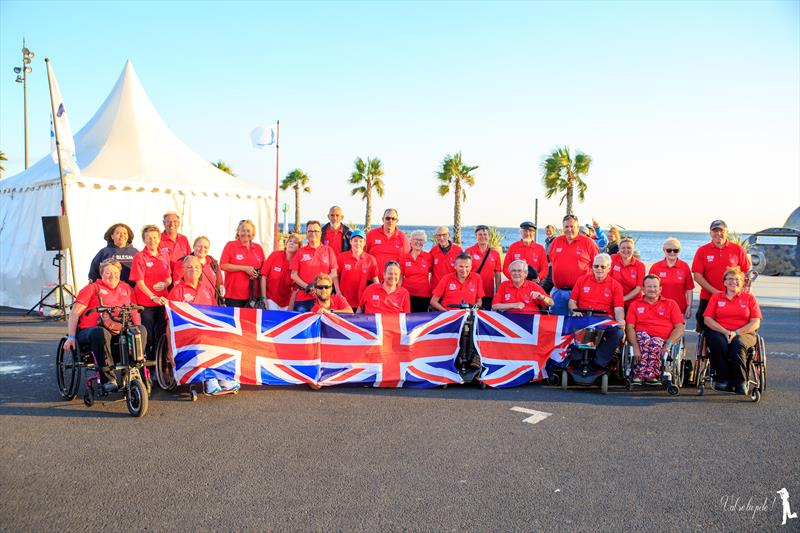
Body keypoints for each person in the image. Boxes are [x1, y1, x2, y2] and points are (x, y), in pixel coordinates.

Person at [64, 259, 145, 393]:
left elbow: (135, 311)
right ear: (101, 274)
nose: (112, 276)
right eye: (108, 273)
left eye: (115, 272)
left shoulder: (126, 288)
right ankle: (108, 379)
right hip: (91, 331)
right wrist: (71, 336)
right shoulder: (92, 288)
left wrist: (137, 328)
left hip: (119, 330)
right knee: (100, 333)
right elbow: (75, 313)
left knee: (140, 330)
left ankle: (131, 372)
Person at [169, 255, 237, 394]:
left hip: (206, 329)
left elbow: (214, 314)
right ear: (182, 270)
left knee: (227, 336)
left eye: (196, 267)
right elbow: (170, 321)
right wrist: (170, 349)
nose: (193, 270)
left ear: (201, 270)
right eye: (189, 267)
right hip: (187, 333)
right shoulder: (177, 291)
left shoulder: (206, 288)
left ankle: (224, 376)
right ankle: (210, 379)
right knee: (204, 339)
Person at [703, 267, 762, 394]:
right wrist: (725, 331)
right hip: (720, 330)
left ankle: (741, 381)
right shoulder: (716, 297)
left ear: (741, 282)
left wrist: (736, 332)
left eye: (736, 279)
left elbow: (755, 322)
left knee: (737, 344)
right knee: (718, 343)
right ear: (724, 282)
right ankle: (723, 379)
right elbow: (707, 319)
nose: (733, 282)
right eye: (729, 279)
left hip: (744, 332)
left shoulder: (749, 298)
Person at [568, 253, 625, 370]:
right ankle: (577, 360)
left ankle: (599, 362)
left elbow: (618, 308)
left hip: (603, 320)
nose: (599, 269)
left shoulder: (615, 285)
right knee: (566, 327)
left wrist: (620, 321)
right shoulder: (582, 280)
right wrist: (574, 311)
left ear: (609, 268)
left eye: (603, 267)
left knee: (618, 333)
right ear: (592, 267)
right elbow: (572, 301)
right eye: (596, 266)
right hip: (584, 317)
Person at [692, 220, 751, 331]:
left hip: (733, 298)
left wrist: (741, 292)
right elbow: (697, 276)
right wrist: (716, 293)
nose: (718, 234)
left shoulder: (737, 249)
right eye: (715, 231)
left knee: (737, 324)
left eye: (721, 230)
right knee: (703, 323)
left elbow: (746, 274)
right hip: (708, 297)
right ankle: (704, 348)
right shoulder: (702, 251)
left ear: (727, 232)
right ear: (710, 233)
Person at [625, 275, 685, 384]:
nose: (652, 289)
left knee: (654, 342)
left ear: (660, 289)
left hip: (662, 339)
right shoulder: (635, 305)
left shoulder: (671, 304)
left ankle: (650, 374)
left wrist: (668, 344)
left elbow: (679, 327)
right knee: (646, 339)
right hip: (641, 337)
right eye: (648, 287)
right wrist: (635, 346)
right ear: (643, 289)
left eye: (655, 286)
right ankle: (644, 373)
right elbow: (630, 327)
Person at [129, 224, 171, 361]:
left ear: (159, 239)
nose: (152, 241)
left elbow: (169, 277)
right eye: (148, 238)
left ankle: (160, 365)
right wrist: (152, 296)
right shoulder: (140, 257)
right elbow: (139, 282)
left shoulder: (164, 255)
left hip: (162, 303)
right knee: (148, 337)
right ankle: (146, 368)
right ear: (144, 240)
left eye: (154, 237)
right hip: (146, 304)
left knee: (161, 335)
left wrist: (165, 283)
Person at [549, 214, 600, 315]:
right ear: (563, 228)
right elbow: (552, 261)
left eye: (572, 226)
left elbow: (598, 267)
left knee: (579, 326)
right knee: (558, 325)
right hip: (559, 292)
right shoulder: (556, 242)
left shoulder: (588, 242)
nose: (569, 229)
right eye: (566, 227)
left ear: (577, 227)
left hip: (581, 293)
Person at [290, 220, 341, 312]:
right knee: (303, 326)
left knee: (323, 326)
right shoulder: (300, 251)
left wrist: (318, 285)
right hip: (303, 299)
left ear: (321, 233)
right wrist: (308, 287)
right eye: (310, 231)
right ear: (306, 233)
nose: (313, 233)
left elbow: (334, 273)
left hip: (323, 299)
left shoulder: (328, 250)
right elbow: (293, 274)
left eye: (316, 231)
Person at [220, 219, 265, 307]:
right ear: (238, 232)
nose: (245, 233)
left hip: (254, 296)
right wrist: (244, 268)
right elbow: (223, 265)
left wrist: (256, 274)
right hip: (234, 296)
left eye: (248, 231)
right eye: (243, 230)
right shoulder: (230, 245)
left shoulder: (258, 248)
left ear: (252, 234)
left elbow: (264, 270)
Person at [649, 237, 694, 320]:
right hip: (659, 309)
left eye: (675, 250)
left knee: (679, 332)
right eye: (669, 250)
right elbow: (649, 289)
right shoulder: (655, 267)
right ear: (664, 250)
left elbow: (689, 289)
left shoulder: (684, 267)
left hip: (680, 309)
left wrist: (689, 306)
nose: (672, 252)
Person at [173, 236, 222, 305]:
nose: (202, 249)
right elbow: (177, 285)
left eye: (205, 247)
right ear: (193, 246)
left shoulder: (213, 263)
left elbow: (220, 284)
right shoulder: (183, 262)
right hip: (191, 303)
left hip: (210, 303)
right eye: (199, 246)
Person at [337, 229, 379, 310]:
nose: (358, 243)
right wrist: (338, 291)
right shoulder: (342, 257)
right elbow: (335, 275)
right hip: (344, 301)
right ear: (350, 242)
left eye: (360, 241)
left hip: (361, 301)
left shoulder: (370, 259)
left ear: (364, 243)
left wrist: (378, 295)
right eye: (355, 240)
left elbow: (375, 281)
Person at [365, 208, 410, 281]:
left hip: (393, 282)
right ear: (383, 219)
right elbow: (363, 255)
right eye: (388, 218)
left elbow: (406, 261)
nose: (390, 221)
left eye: (393, 219)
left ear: (397, 221)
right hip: (372, 280)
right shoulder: (371, 235)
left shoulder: (403, 238)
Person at [260, 232, 301, 310]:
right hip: (270, 299)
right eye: (290, 241)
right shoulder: (275, 255)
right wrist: (263, 298)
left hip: (286, 302)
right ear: (286, 244)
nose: (291, 243)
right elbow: (263, 276)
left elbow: (295, 289)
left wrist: (290, 306)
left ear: (299, 248)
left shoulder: (298, 262)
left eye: (295, 242)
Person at [465, 225, 502, 310]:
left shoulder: (495, 254)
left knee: (485, 317)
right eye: (480, 234)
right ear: (476, 236)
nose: (483, 237)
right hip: (472, 291)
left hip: (488, 292)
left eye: (485, 234)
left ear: (489, 236)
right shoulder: (469, 251)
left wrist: (498, 293)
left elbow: (498, 274)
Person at [502, 221, 548, 285]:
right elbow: (505, 268)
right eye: (525, 231)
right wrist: (514, 278)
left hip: (534, 284)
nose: (528, 233)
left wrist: (539, 277)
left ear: (534, 233)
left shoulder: (540, 249)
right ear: (521, 232)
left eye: (530, 231)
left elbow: (545, 268)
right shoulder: (513, 247)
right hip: (516, 284)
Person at [400, 230, 433, 312]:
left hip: (423, 295)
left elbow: (433, 275)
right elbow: (400, 277)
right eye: (416, 239)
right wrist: (398, 292)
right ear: (411, 241)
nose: (418, 242)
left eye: (421, 240)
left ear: (424, 242)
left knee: (421, 321)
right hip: (406, 294)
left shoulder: (428, 257)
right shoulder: (403, 258)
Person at [610, 237, 645, 309]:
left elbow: (638, 288)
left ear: (633, 250)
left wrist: (622, 299)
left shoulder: (640, 265)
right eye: (623, 248)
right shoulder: (613, 259)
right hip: (614, 298)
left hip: (633, 300)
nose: (626, 250)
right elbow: (607, 279)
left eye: (629, 248)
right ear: (619, 249)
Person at [429, 226, 463, 294]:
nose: (441, 238)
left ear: (449, 235)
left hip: (453, 289)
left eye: (444, 235)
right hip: (436, 290)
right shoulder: (433, 251)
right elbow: (429, 269)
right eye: (439, 235)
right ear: (436, 237)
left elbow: (462, 271)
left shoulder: (458, 250)